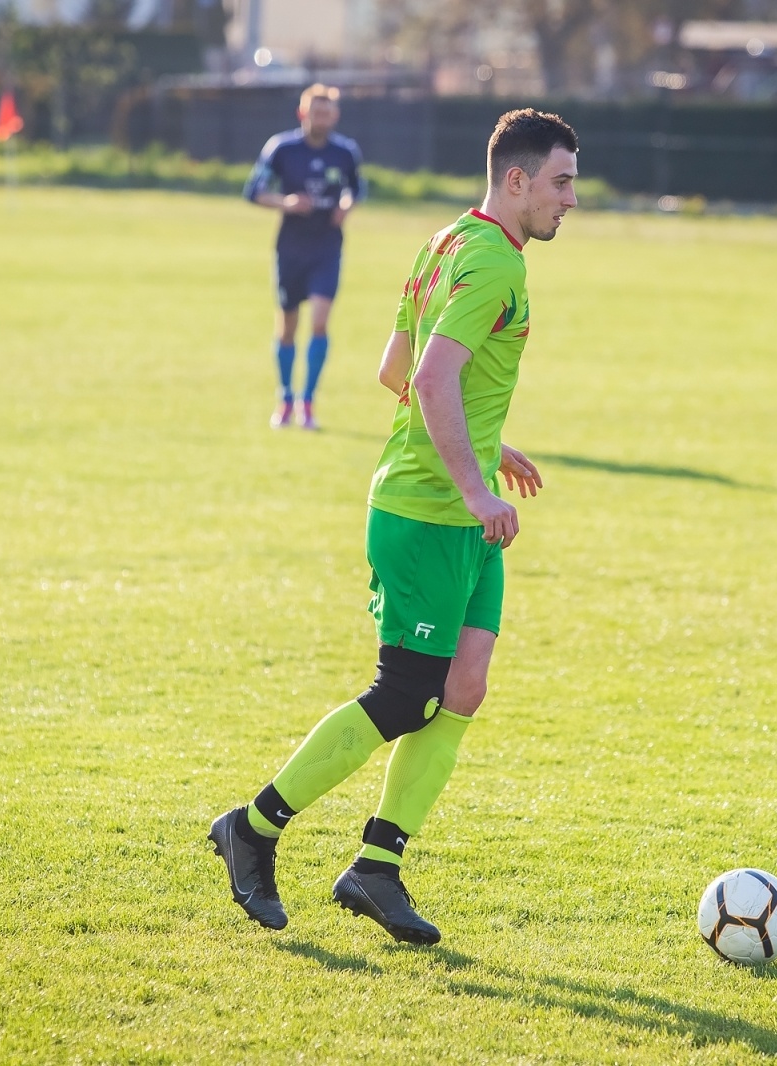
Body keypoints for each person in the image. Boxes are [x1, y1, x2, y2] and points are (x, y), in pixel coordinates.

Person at [210, 109, 580, 944]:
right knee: (406, 694)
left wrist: (488, 446)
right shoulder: (490, 263)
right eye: (560, 181)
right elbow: (432, 377)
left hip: (462, 508)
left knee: (464, 686)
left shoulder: (449, 239)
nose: (570, 199)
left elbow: (394, 370)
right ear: (515, 180)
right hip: (428, 512)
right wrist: (475, 485)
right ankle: (253, 828)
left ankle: (376, 867)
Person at [242, 84, 366, 430]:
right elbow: (254, 190)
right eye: (316, 112)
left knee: (321, 322)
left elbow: (356, 188)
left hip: (327, 248)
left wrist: (346, 204)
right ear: (302, 114)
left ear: (335, 116)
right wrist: (286, 203)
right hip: (290, 249)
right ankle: (285, 397)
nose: (322, 119)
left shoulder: (345, 152)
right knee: (287, 328)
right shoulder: (282, 148)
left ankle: (307, 401)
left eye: (328, 113)